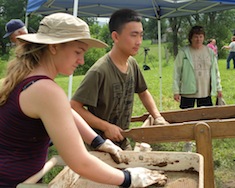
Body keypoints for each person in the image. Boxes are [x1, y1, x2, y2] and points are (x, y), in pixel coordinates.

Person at [0, 13, 167, 188]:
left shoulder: (27, 77)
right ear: (54, 47)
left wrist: (99, 142)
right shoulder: (46, 90)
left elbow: (67, 111)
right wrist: (129, 178)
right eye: (78, 52)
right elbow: (80, 162)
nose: (81, 61)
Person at [70, 9, 167, 151]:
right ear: (115, 37)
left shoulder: (132, 64)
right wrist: (106, 127)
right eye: (134, 35)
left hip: (122, 139)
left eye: (141, 35)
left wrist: (157, 117)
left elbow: (143, 92)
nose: (139, 41)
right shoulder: (100, 71)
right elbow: (74, 107)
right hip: (99, 144)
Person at [173, 26, 222, 151]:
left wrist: (219, 88)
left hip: (205, 91)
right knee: (186, 118)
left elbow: (216, 71)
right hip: (188, 90)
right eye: (195, 36)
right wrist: (176, 90)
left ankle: (205, 142)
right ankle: (188, 143)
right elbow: (177, 72)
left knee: (206, 118)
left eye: (200, 36)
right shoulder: (184, 52)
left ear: (204, 38)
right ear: (191, 38)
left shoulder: (210, 52)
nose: (198, 39)